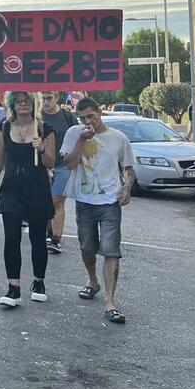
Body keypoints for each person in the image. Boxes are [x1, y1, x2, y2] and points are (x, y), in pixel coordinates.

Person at [60, 97, 135, 324]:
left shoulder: (118, 138)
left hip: (110, 201)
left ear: (99, 112)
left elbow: (129, 170)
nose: (86, 121)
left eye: (90, 116)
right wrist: (82, 141)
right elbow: (70, 164)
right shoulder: (74, 133)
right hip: (84, 201)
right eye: (82, 118)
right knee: (87, 247)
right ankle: (92, 281)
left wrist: (127, 188)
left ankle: (110, 301)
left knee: (111, 249)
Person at [0, 92, 56, 307]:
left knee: (37, 238)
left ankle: (38, 282)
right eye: (18, 101)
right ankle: (13, 287)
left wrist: (42, 148)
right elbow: (0, 157)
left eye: (27, 101)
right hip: (11, 188)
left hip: (37, 188)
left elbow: (51, 162)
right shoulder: (4, 128)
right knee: (11, 237)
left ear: (34, 104)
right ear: (12, 105)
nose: (23, 104)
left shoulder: (45, 130)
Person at [40, 92, 78, 254]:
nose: (46, 101)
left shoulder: (67, 116)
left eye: (49, 98)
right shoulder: (36, 116)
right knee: (43, 202)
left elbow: (77, 137)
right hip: (40, 165)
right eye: (43, 98)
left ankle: (56, 238)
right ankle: (48, 232)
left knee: (57, 201)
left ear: (56, 98)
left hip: (63, 165)